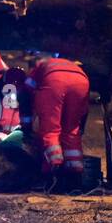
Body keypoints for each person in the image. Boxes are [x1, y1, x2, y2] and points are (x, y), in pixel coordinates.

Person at [23, 53, 91, 188]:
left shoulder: (40, 66)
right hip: (82, 81)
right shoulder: (69, 63)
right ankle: (74, 175)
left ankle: (53, 173)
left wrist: (26, 124)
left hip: (55, 81)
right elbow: (83, 113)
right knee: (72, 130)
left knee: (50, 130)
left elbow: (25, 92)